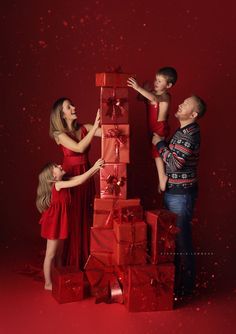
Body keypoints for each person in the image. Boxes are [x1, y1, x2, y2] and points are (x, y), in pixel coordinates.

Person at [152, 95, 207, 297]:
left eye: (186, 104)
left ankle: (186, 288)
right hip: (174, 191)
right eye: (183, 101)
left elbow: (175, 163)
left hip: (181, 196)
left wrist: (159, 144)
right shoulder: (183, 130)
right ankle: (173, 285)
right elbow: (173, 162)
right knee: (172, 241)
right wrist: (164, 180)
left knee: (182, 241)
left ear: (193, 114)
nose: (181, 104)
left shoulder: (191, 134)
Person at [36, 159, 104, 290]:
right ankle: (48, 284)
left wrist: (97, 168)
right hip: (53, 223)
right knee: (50, 255)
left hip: (60, 222)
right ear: (53, 176)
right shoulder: (58, 185)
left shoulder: (64, 180)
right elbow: (79, 181)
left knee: (60, 253)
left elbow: (80, 177)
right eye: (56, 166)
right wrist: (95, 166)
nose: (60, 165)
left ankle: (60, 276)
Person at [49, 97, 101, 269]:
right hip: (70, 176)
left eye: (72, 104)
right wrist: (94, 127)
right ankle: (73, 258)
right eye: (68, 106)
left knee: (86, 213)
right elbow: (78, 148)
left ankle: (87, 257)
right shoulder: (59, 134)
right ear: (61, 114)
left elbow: (109, 132)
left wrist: (112, 118)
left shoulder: (85, 127)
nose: (74, 107)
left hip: (86, 174)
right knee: (74, 216)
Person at [127, 67, 177, 192]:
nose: (156, 83)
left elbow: (155, 100)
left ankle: (162, 178)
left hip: (160, 128)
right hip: (152, 128)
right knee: (155, 153)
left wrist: (139, 88)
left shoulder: (165, 96)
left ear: (168, 85)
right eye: (156, 80)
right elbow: (140, 98)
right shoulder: (152, 94)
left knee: (157, 154)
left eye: (160, 81)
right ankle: (163, 177)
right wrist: (143, 89)